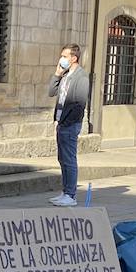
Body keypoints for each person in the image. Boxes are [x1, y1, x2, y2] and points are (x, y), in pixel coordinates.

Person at [48, 44, 90, 207]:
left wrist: (68, 121)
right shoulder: (65, 75)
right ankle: (65, 192)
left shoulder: (82, 77)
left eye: (64, 56)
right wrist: (57, 74)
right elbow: (51, 92)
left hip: (70, 124)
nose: (61, 59)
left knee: (69, 159)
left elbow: (79, 103)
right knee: (62, 158)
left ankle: (71, 195)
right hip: (61, 122)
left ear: (74, 58)